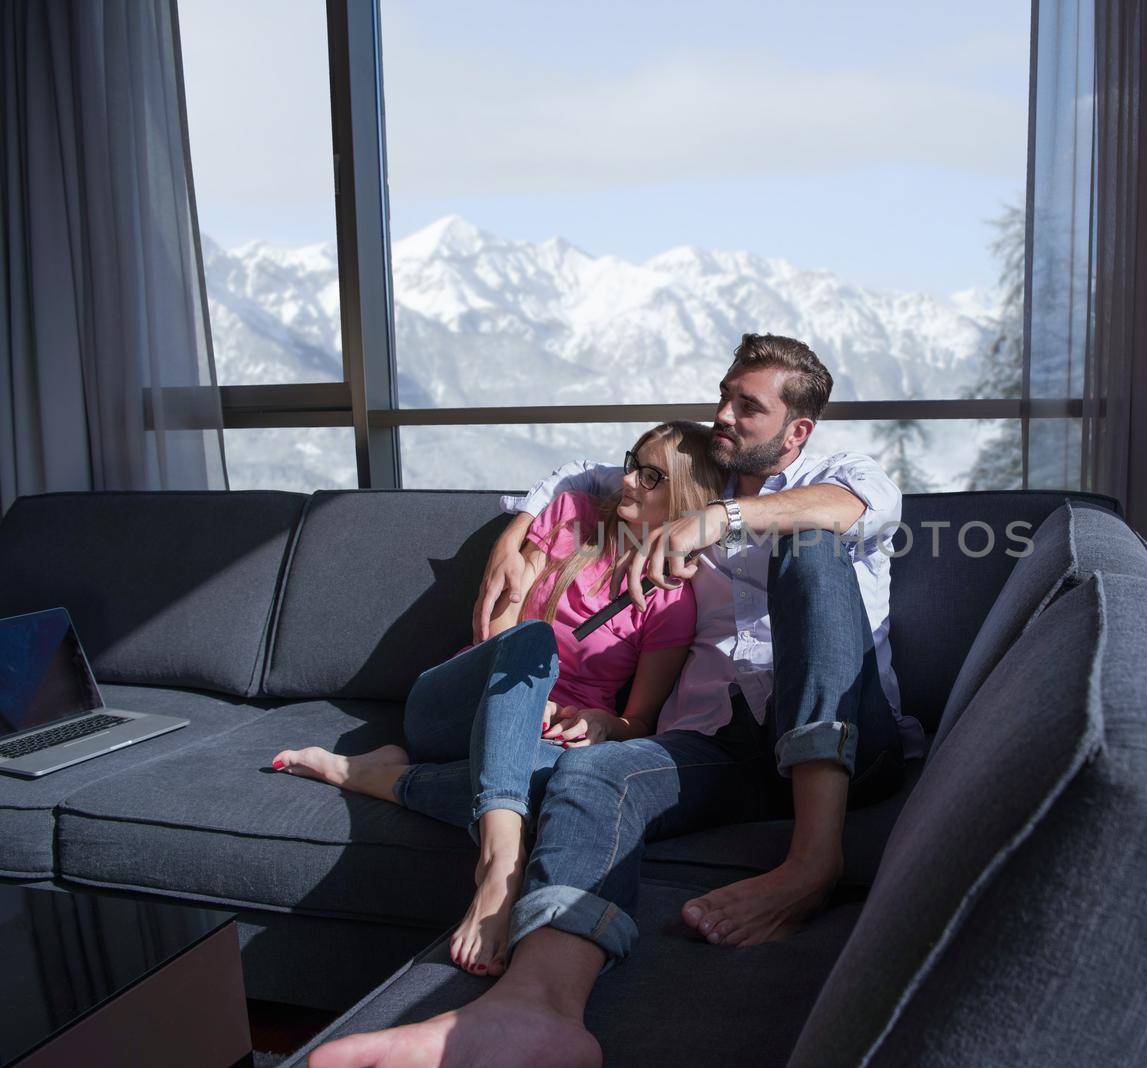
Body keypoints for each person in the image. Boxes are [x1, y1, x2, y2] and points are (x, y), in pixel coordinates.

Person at [310, 333, 922, 1068]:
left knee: (812, 546)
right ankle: (536, 1009)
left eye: (746, 407)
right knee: (592, 775)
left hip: (849, 735)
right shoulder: (700, 472)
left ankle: (811, 861)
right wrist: (515, 533)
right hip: (718, 748)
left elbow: (855, 505)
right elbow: (582, 474)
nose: (723, 415)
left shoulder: (834, 474)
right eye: (724, 396)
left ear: (796, 430)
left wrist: (718, 521)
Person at [272, 421, 726, 978]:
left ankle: (371, 775)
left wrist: (605, 723)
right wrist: (521, 694)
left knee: (565, 783)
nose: (628, 479)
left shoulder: (672, 600)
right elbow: (503, 625)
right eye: (632, 461)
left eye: (650, 475)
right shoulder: (573, 515)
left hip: (536, 745)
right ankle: (500, 863)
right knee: (531, 643)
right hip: (459, 702)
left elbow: (641, 721)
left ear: (684, 498)